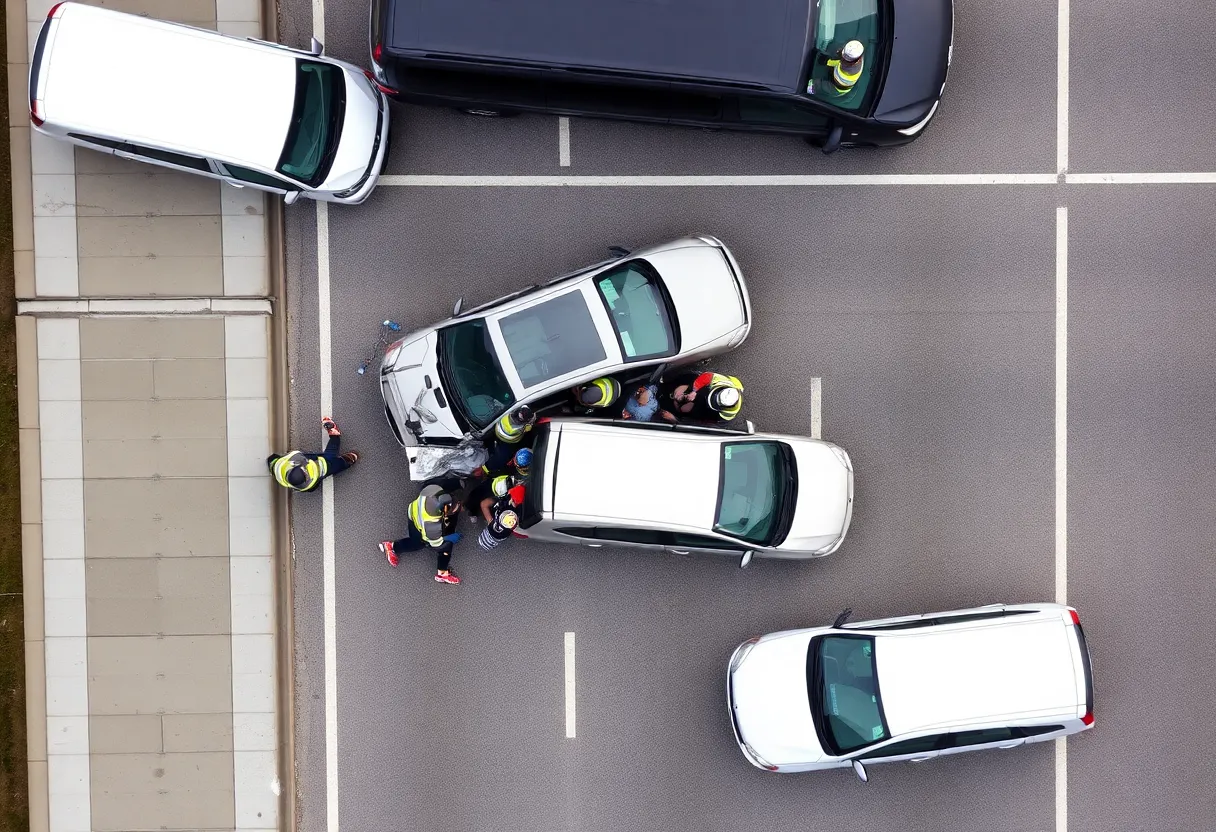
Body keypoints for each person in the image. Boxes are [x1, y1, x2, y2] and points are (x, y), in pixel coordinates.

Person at [379, 479, 464, 584]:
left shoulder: (433, 490)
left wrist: (457, 483)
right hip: (420, 527)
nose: (458, 506)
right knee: (439, 546)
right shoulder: (432, 524)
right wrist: (448, 538)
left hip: (413, 512)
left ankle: (392, 547)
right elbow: (437, 543)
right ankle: (442, 573)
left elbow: (443, 485)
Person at [266, 417, 358, 492]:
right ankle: (339, 446)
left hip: (301, 461)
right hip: (316, 471)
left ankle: (345, 455)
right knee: (330, 462)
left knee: (325, 460)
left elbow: (273, 460)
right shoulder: (310, 479)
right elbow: (325, 464)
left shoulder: (283, 465)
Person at [660, 371, 744, 423]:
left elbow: (700, 425)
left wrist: (675, 420)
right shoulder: (722, 382)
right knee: (693, 377)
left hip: (704, 412)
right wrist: (694, 390)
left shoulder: (724, 415)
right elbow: (706, 376)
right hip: (704, 392)